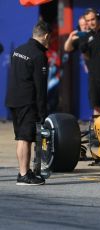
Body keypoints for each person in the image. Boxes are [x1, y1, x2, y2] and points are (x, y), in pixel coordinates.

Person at [5, 21, 51, 185]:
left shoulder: (18, 50)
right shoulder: (39, 55)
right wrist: (42, 111)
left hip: (13, 99)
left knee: (21, 137)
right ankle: (24, 174)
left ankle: (24, 172)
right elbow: (40, 86)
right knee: (25, 138)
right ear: (46, 36)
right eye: (49, 39)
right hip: (27, 102)